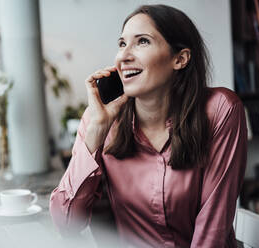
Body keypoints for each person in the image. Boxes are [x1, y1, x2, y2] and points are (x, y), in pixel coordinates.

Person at [50, 4, 247, 248]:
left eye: (142, 42)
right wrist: (95, 131)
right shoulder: (99, 121)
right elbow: (66, 225)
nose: (123, 56)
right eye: (122, 44)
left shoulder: (220, 110)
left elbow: (212, 232)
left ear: (180, 58)